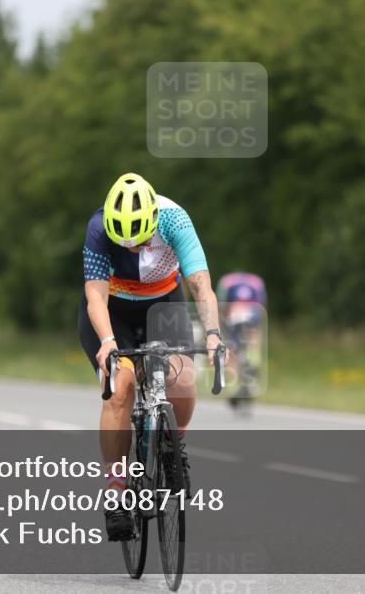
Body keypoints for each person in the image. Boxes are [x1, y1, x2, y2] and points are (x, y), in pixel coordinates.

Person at [78, 173, 223, 541]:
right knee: (121, 385)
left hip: (164, 303)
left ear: (153, 221)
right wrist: (108, 340)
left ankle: (173, 444)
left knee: (183, 379)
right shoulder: (98, 227)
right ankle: (115, 491)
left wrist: (212, 334)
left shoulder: (175, 219)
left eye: (138, 240)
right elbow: (95, 296)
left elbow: (200, 284)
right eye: (121, 242)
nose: (130, 248)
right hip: (115, 314)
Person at [217, 272, 267, 413]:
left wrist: (221, 329)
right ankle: (254, 363)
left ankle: (233, 390)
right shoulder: (256, 281)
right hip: (253, 314)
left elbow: (222, 307)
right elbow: (261, 307)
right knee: (255, 336)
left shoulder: (227, 281)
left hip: (235, 315)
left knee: (232, 351)